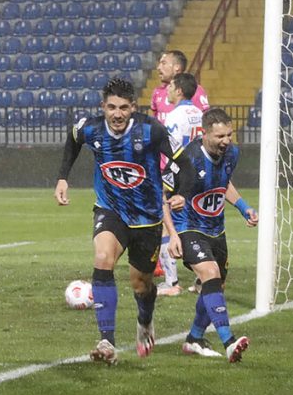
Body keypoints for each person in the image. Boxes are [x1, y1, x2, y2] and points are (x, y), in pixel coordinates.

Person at [54, 77, 192, 365]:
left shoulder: (151, 130)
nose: (117, 114)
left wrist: (181, 193)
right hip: (111, 209)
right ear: (103, 106)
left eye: (124, 108)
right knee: (103, 258)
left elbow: (184, 163)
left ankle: (145, 321)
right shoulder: (90, 128)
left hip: (147, 219)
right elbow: (73, 140)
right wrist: (63, 177)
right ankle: (107, 341)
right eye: (112, 107)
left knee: (141, 284)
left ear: (133, 107)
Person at [163, 108, 257, 362]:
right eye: (220, 136)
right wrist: (172, 235)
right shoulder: (185, 160)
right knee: (210, 273)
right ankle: (229, 341)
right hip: (188, 227)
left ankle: (194, 338)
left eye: (229, 135)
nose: (226, 141)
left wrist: (244, 207)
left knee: (216, 285)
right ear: (204, 134)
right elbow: (162, 195)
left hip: (217, 229)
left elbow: (223, 184)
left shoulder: (232, 153)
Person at [150, 50, 210, 291]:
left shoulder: (174, 116)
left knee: (166, 220)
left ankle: (171, 282)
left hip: (177, 172)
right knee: (198, 223)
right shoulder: (198, 114)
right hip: (199, 171)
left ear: (179, 91)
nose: (168, 90)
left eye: (172, 87)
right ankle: (202, 277)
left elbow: (171, 148)